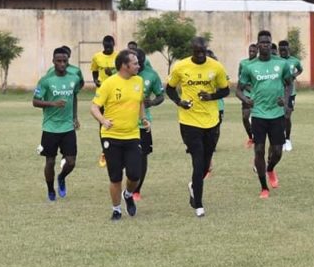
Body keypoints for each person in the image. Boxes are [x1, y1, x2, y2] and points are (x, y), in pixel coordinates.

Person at [166, 37, 230, 217]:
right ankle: (199, 205)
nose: (200, 55)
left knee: (205, 164)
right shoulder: (181, 67)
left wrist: (211, 97)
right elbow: (170, 89)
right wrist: (179, 102)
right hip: (189, 121)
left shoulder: (216, 67)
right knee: (198, 160)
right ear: (192, 50)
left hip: (211, 120)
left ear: (206, 49)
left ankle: (194, 186)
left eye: (203, 51)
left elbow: (225, 90)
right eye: (197, 52)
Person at [90, 49, 149, 220]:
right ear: (124, 65)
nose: (139, 65)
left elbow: (139, 102)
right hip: (111, 136)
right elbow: (94, 107)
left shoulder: (138, 81)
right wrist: (103, 121)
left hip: (132, 135)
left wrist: (143, 119)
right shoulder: (109, 83)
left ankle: (128, 195)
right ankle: (116, 209)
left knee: (134, 175)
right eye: (135, 63)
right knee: (115, 177)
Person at [236, 30, 293, 199]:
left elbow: (289, 84)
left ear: (271, 44)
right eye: (262, 42)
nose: (265, 45)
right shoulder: (249, 66)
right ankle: (264, 188)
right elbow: (238, 90)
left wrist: (285, 98)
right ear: (258, 44)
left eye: (268, 42)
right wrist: (246, 100)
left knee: (277, 151)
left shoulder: (281, 64)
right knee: (259, 150)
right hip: (259, 114)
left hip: (276, 114)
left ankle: (270, 169)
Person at [33, 47, 81, 201]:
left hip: (68, 127)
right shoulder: (46, 80)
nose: (62, 64)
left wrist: (74, 117)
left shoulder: (74, 78)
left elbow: (74, 98)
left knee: (71, 161)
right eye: (59, 61)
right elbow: (35, 101)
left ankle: (61, 177)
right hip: (50, 127)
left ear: (68, 61)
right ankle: (50, 189)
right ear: (53, 61)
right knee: (50, 161)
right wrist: (53, 104)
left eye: (64, 61)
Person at [131, 48, 165, 202]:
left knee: (142, 157)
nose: (136, 65)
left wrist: (151, 102)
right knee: (127, 158)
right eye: (133, 62)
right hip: (124, 125)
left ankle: (137, 190)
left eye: (138, 62)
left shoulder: (151, 75)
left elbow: (160, 96)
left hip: (143, 124)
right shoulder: (122, 75)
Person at [91, 35, 117, 168]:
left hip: (116, 94)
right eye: (106, 47)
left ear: (114, 44)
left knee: (116, 120)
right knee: (102, 122)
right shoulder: (97, 57)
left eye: (110, 47)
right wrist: (95, 80)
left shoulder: (119, 57)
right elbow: (94, 71)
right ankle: (104, 150)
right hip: (102, 94)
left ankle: (116, 149)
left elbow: (123, 73)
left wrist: (111, 73)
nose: (108, 49)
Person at [278, 39, 303, 152]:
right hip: (278, 92)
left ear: (288, 49)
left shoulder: (295, 61)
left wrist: (294, 75)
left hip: (291, 92)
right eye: (281, 50)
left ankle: (287, 139)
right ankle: (280, 139)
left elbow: (300, 69)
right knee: (279, 117)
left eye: (284, 49)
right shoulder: (276, 61)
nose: (282, 52)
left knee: (287, 116)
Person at [238, 44, 258, 148]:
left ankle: (258, 138)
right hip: (246, 94)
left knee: (257, 117)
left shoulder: (259, 64)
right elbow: (241, 79)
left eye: (254, 51)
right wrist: (246, 87)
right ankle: (251, 137)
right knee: (245, 117)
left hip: (258, 95)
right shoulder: (243, 63)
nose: (251, 53)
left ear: (257, 52)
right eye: (250, 51)